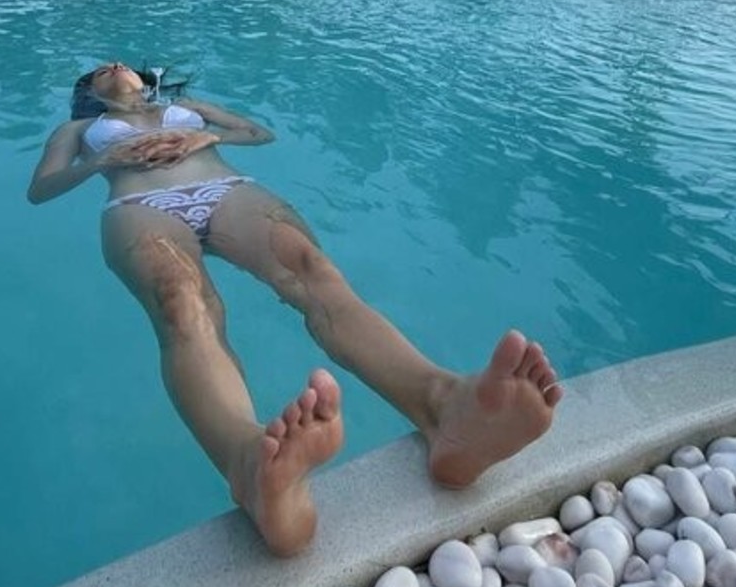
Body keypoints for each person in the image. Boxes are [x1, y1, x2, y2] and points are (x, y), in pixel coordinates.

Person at [30, 60, 563, 556]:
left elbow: (258, 133)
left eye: (121, 63)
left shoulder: (188, 107)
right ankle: (249, 466)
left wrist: (206, 135)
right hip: (139, 206)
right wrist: (103, 159)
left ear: (144, 80)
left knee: (312, 269)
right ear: (90, 93)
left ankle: (445, 410)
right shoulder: (79, 130)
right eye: (98, 71)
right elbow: (42, 188)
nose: (113, 66)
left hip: (223, 187)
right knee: (181, 303)